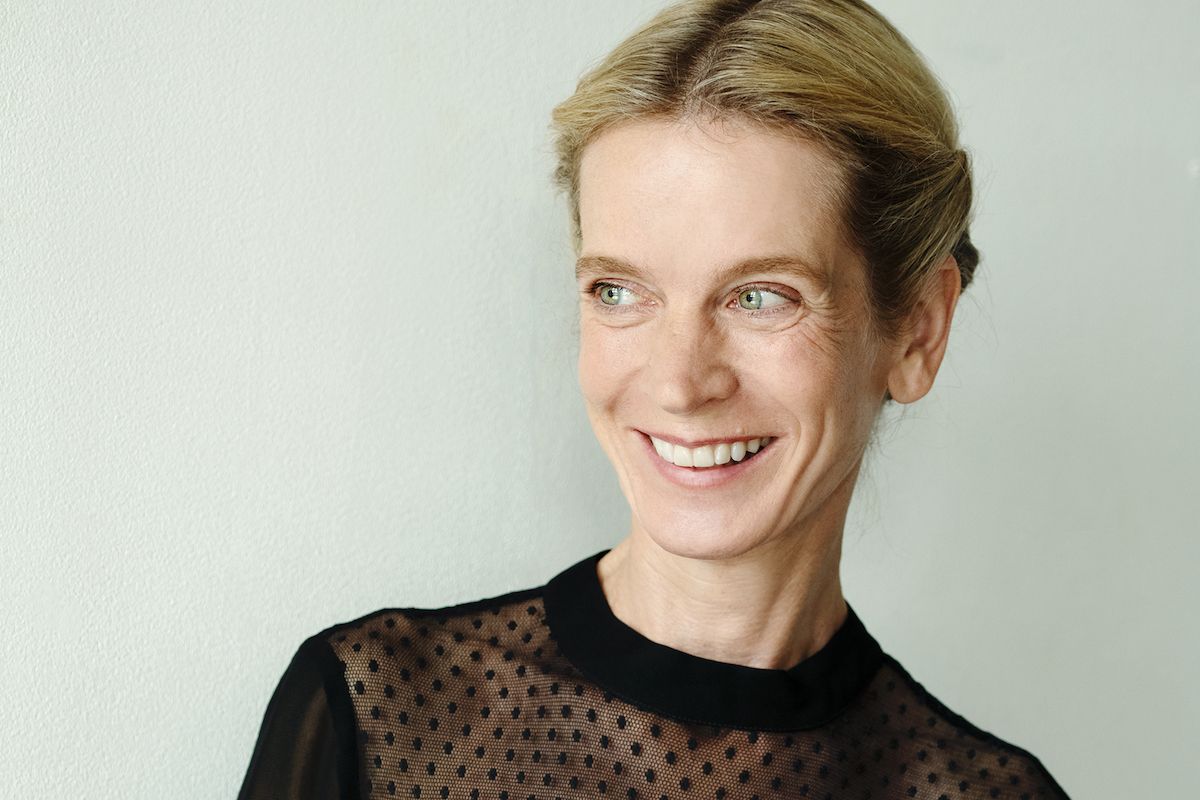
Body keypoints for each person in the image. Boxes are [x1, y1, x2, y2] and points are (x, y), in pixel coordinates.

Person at [237, 1, 1072, 798]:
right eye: (618, 292)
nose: (678, 383)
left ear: (917, 332)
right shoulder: (377, 716)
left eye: (760, 296)